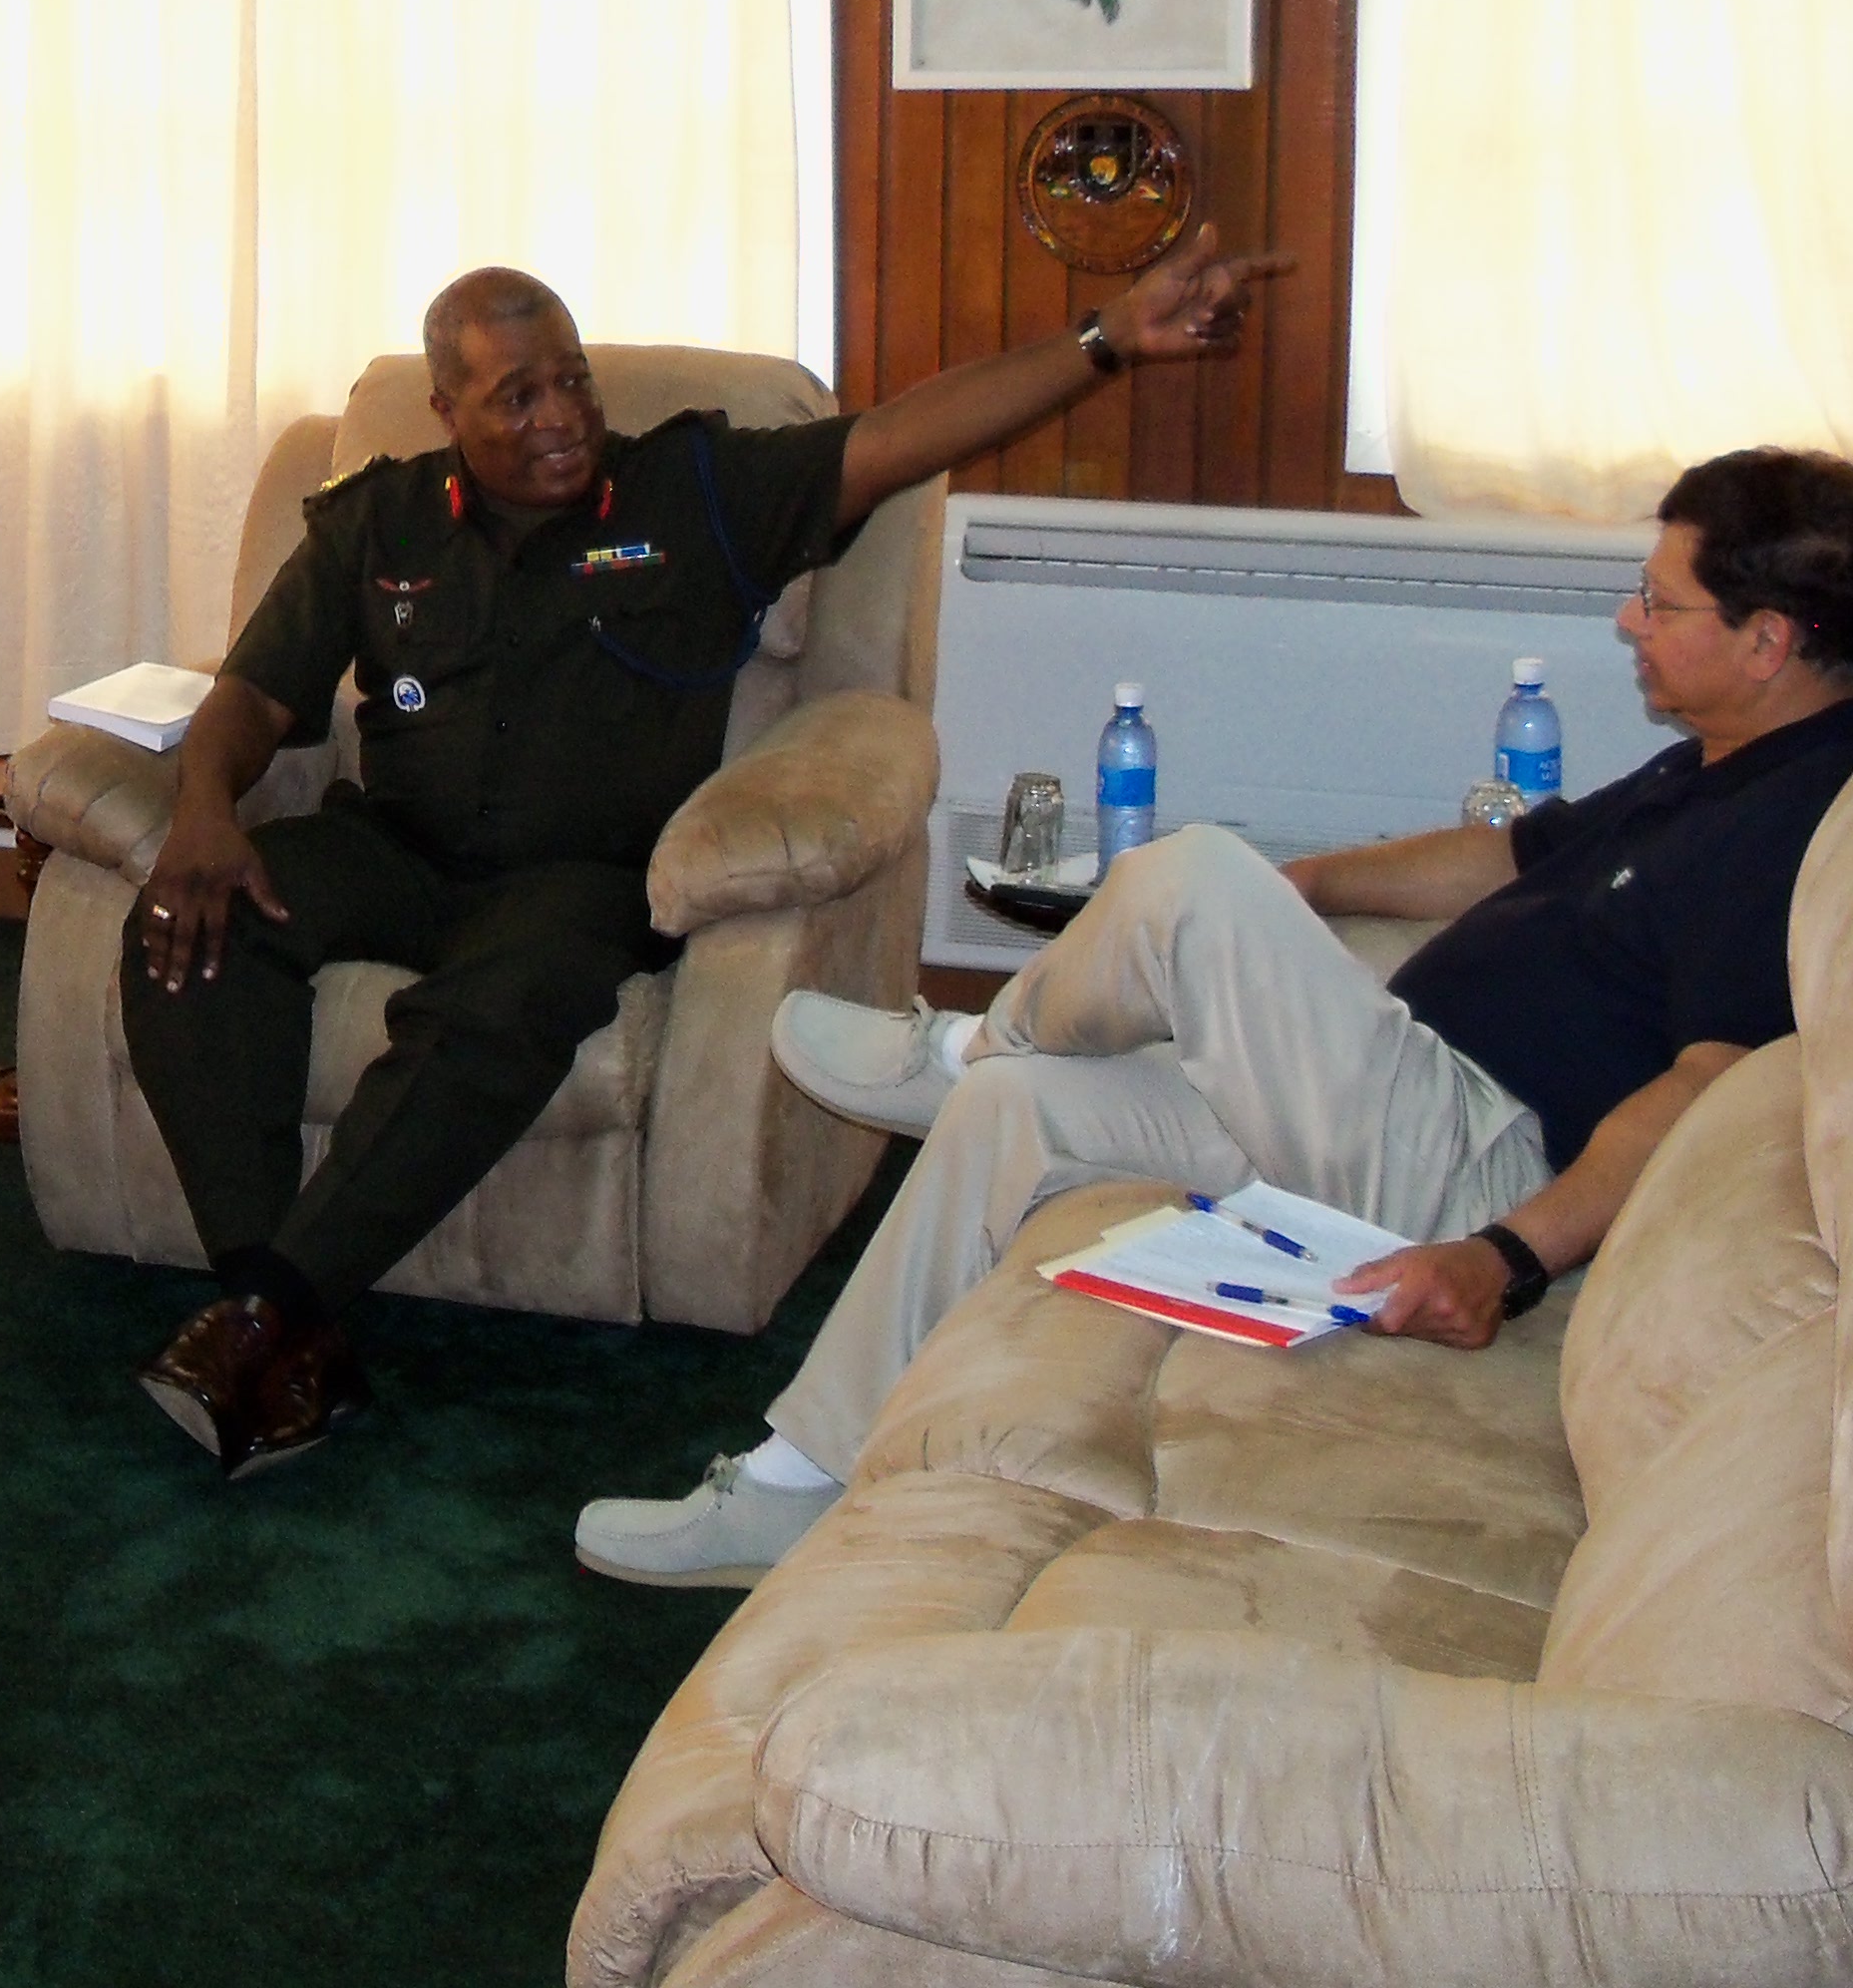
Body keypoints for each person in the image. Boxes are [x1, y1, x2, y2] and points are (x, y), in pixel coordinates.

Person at [575, 447, 1853, 1585]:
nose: (1629, 619)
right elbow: (1513, 854)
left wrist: (1507, 1257)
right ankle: (796, 1476)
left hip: (1472, 1165)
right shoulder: (1713, 762)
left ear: (1768, 640)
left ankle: (965, 1039)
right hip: (1396, 1099)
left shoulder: (1798, 822)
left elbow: (1705, 1085)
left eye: (1661, 602)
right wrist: (1306, 884)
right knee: (1018, 1110)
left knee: (1186, 875)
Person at [125, 235, 1294, 1476]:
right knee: (186, 932)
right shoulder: (379, 516)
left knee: (501, 1008)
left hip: (577, 883)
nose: (562, 415)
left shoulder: (693, 491)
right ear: (447, 411)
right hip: (395, 848)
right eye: (516, 395)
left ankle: (266, 1313)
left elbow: (899, 438)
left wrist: (1105, 339)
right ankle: (273, 1313)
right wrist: (202, 811)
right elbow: (255, 690)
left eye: (571, 379)